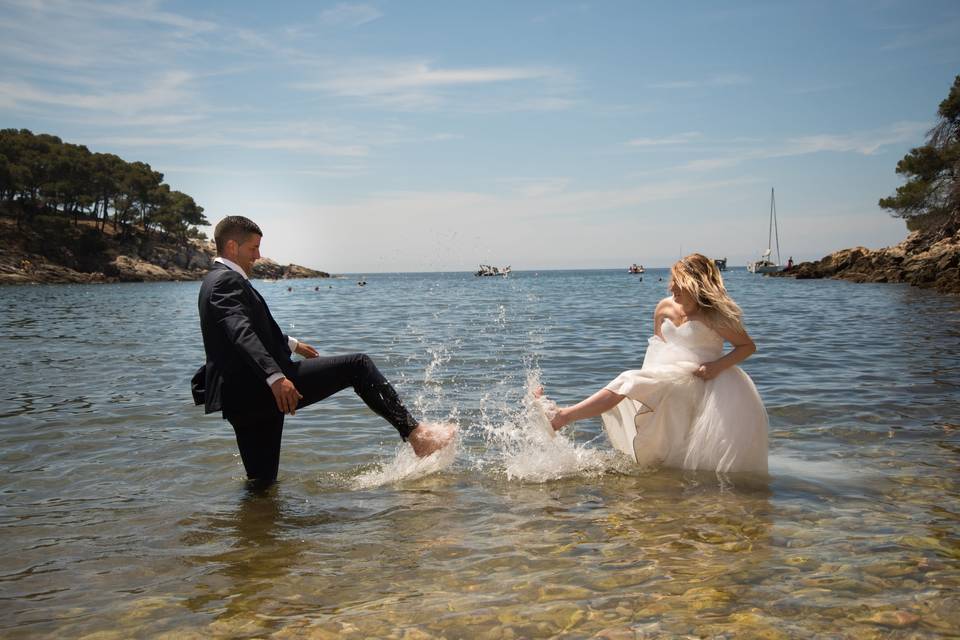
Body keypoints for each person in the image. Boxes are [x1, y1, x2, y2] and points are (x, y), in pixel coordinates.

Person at [192, 216, 455, 486]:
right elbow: (240, 332)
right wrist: (276, 378)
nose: (258, 255)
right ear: (232, 247)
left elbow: (245, 329)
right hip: (262, 388)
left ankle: (254, 525)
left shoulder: (214, 281)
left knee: (262, 482)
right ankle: (417, 436)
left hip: (243, 400)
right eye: (253, 248)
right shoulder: (226, 281)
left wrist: (293, 344)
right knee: (358, 366)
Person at [540, 253, 767, 473]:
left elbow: (748, 347)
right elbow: (657, 347)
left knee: (627, 379)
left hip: (703, 380)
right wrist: (646, 386)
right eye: (671, 281)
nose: (671, 288)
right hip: (670, 375)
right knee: (631, 383)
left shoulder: (715, 316)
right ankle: (561, 417)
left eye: (678, 283)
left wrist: (717, 367)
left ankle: (562, 417)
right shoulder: (664, 307)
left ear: (695, 284)